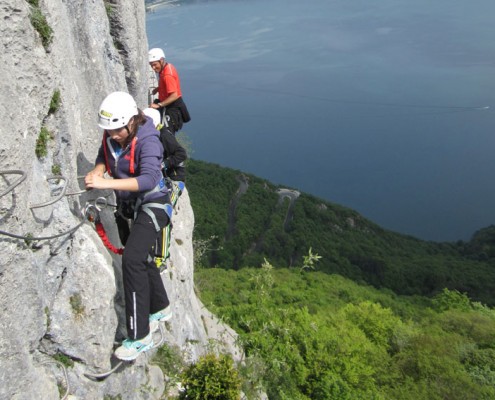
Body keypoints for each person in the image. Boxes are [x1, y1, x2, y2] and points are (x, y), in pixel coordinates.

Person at [85, 91, 173, 361]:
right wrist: (99, 170)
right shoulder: (113, 135)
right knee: (141, 257)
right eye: (109, 130)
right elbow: (105, 153)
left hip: (155, 203)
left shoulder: (149, 141)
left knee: (132, 260)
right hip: (132, 205)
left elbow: (148, 180)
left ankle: (139, 335)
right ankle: (161, 308)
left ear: (131, 122)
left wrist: (105, 183)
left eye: (117, 130)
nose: (112, 135)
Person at [148, 47, 191, 135]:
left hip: (172, 107)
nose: (153, 67)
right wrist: (159, 88)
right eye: (151, 65)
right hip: (170, 104)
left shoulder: (167, 75)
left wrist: (159, 105)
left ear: (161, 60)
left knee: (167, 133)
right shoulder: (166, 68)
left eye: (155, 64)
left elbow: (174, 95)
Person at [143, 107, 187, 182]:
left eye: (143, 121)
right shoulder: (155, 133)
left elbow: (182, 154)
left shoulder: (164, 135)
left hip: (175, 176)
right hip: (165, 174)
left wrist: (163, 164)